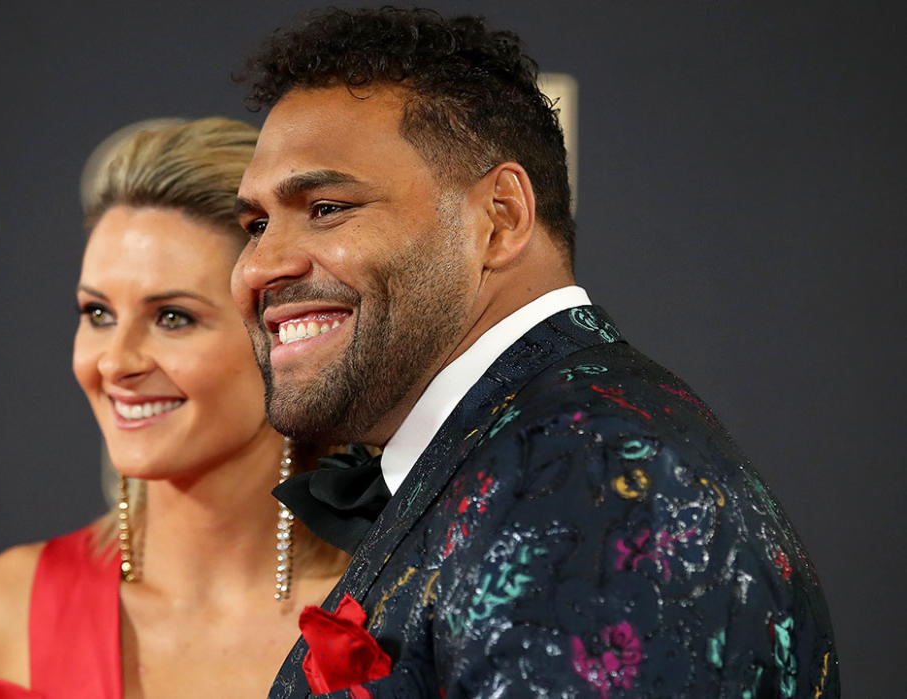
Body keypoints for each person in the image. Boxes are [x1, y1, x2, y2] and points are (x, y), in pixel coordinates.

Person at [232, 8, 838, 697]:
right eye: (254, 224)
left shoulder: (589, 484)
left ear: (501, 218)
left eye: (326, 208)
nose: (258, 267)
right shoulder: (536, 451)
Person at [0, 117, 346, 698]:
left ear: (285, 331)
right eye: (98, 314)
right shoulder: (0, 614)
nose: (115, 362)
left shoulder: (397, 607)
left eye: (172, 318)